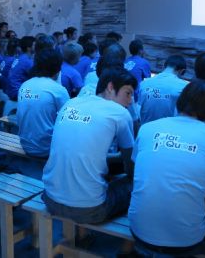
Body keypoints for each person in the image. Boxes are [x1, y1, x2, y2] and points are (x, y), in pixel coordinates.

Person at [129, 80, 205, 256]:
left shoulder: (147, 129)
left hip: (138, 231)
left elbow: (137, 172)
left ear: (181, 101)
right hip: (187, 244)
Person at [42, 67, 136, 224]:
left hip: (50, 198)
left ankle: (82, 235)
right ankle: (127, 247)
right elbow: (130, 165)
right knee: (136, 183)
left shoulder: (71, 103)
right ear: (111, 87)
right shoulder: (119, 113)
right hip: (90, 210)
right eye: (128, 93)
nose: (131, 100)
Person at [17, 49, 69, 158]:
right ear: (58, 68)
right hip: (46, 148)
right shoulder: (58, 89)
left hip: (25, 144)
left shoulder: (25, 85)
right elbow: (68, 120)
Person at [138, 55, 187, 124]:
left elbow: (137, 111)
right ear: (182, 71)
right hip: (169, 132)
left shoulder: (143, 83)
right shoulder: (184, 87)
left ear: (164, 66)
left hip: (144, 129)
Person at [6, 36, 35, 100]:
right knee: (43, 96)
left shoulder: (20, 57)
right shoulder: (26, 61)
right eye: (34, 45)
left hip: (11, 90)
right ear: (28, 48)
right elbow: (37, 76)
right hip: (18, 93)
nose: (36, 46)